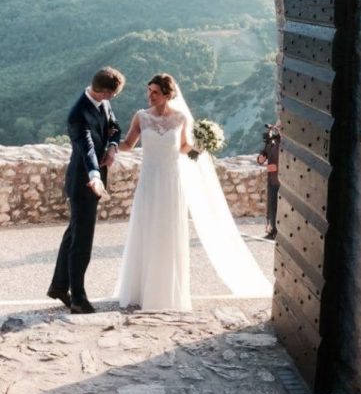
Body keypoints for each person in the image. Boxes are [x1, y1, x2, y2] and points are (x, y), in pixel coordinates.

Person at [115, 73, 271, 312]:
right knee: (145, 230)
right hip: (149, 181)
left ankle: (164, 292)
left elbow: (184, 147)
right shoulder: (141, 116)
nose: (150, 95)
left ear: (168, 95)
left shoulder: (179, 119)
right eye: (149, 91)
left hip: (170, 181)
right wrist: (110, 148)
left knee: (167, 232)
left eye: (155, 92)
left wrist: (202, 147)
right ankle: (140, 290)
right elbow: (128, 144)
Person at [47, 67, 125, 314]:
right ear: (102, 92)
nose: (112, 100)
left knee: (74, 233)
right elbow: (87, 148)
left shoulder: (103, 104)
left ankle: (59, 286)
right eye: (111, 96)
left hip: (93, 178)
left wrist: (112, 147)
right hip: (83, 182)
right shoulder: (77, 114)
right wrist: (94, 177)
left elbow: (113, 126)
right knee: (82, 240)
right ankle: (78, 298)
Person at [257, 123, 281, 240]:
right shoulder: (272, 141)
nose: (276, 129)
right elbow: (263, 154)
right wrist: (261, 158)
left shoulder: (285, 143)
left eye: (279, 127)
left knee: (278, 207)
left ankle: (277, 232)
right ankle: (272, 230)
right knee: (271, 206)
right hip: (272, 179)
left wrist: (276, 167)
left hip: (281, 180)